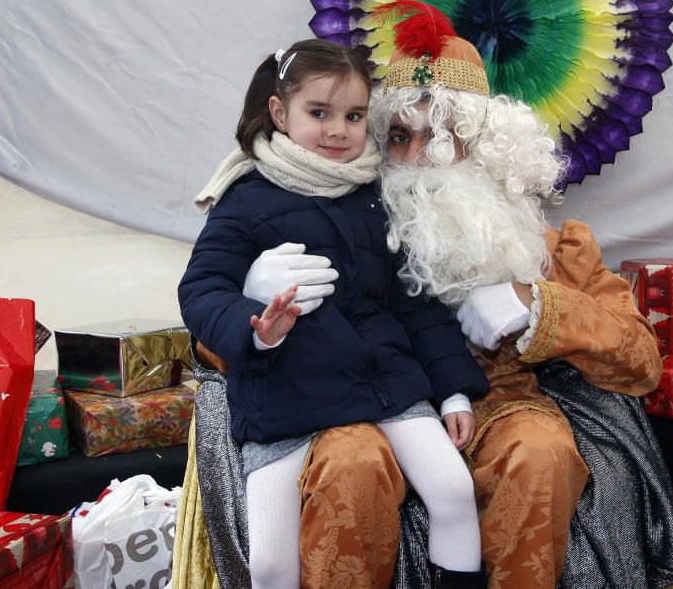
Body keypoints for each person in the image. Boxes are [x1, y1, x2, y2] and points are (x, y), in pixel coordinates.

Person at [238, 4, 673, 588]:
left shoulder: (551, 246)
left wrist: (540, 306)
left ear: (485, 145)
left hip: (497, 402)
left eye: (441, 136)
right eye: (398, 136)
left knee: (540, 453)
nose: (415, 157)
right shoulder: (322, 224)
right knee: (348, 465)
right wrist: (254, 299)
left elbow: (641, 363)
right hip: (358, 402)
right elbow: (222, 352)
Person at [177, 38, 490, 589]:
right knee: (272, 563)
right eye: (318, 113)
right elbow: (202, 289)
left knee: (454, 493)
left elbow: (413, 304)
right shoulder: (245, 197)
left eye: (352, 115)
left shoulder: (374, 195)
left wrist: (455, 390)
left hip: (386, 382)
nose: (337, 130)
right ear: (280, 112)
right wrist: (257, 328)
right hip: (286, 390)